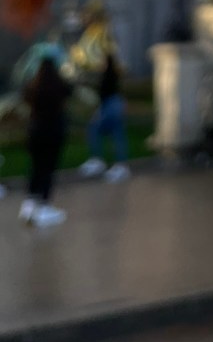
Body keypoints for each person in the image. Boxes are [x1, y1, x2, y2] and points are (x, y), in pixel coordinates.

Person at [19, 51, 71, 227]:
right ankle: (44, 206)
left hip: (35, 131)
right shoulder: (58, 86)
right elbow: (69, 91)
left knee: (35, 167)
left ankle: (29, 205)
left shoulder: (33, 86)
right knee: (48, 169)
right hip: (53, 132)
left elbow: (24, 98)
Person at [79, 51, 130, 182]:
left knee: (96, 129)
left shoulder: (108, 75)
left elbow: (104, 92)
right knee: (116, 134)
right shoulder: (113, 74)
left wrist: (99, 111)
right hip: (114, 104)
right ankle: (119, 164)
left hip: (110, 105)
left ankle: (100, 160)